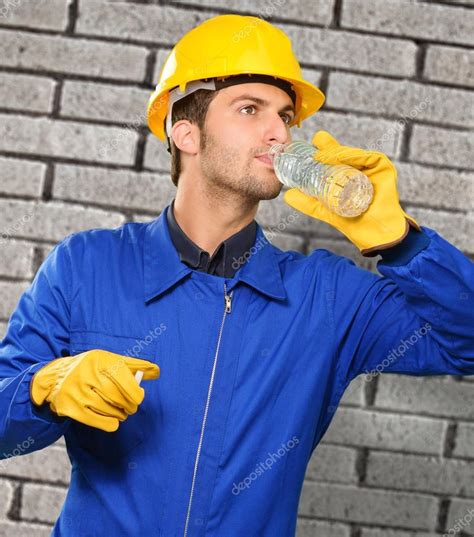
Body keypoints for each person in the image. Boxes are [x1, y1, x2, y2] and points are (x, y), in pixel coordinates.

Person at [0, 13, 473, 537]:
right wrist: (44, 386)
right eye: (250, 109)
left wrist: (401, 240)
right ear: (186, 132)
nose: (279, 133)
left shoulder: (329, 298)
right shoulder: (85, 266)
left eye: (286, 115)